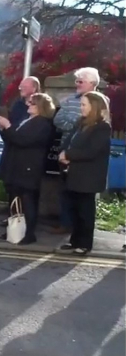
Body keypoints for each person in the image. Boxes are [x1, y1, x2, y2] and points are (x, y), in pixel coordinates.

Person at [0, 93, 56, 245]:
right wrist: (3, 129)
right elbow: (13, 138)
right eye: (29, 102)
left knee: (28, 200)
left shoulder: (43, 124)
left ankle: (29, 234)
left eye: (33, 103)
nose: (29, 105)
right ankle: (14, 230)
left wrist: (8, 126)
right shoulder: (27, 120)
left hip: (29, 167)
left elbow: (24, 140)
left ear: (41, 107)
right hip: (17, 164)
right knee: (15, 200)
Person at [59, 91, 111, 255]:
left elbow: (91, 151)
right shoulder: (81, 123)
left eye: (84, 105)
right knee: (74, 210)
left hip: (89, 177)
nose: (81, 108)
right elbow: (69, 142)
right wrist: (63, 153)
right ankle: (75, 241)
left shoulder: (102, 127)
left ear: (94, 107)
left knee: (85, 212)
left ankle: (85, 243)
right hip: (74, 173)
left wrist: (68, 155)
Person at [53, 67, 101, 235]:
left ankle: (80, 230)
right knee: (65, 190)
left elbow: (97, 124)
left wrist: (79, 124)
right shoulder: (69, 100)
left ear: (92, 84)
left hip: (84, 155)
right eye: (77, 81)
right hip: (67, 150)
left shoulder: (101, 101)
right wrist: (75, 125)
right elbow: (58, 120)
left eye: (81, 81)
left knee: (83, 196)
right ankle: (66, 224)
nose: (77, 84)